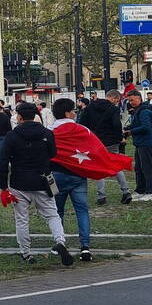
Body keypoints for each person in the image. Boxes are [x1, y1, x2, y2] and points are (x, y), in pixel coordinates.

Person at [0, 101, 73, 266]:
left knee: (22, 219)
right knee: (52, 214)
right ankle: (60, 241)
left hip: (19, 181)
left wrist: (3, 186)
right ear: (36, 115)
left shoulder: (12, 136)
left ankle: (26, 253)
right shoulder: (46, 132)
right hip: (44, 179)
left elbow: (2, 162)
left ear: (19, 117)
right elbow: (53, 153)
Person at [49, 99, 94, 262]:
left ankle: (59, 242)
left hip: (56, 176)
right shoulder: (81, 129)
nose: (75, 113)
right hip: (78, 175)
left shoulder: (50, 130)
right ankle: (85, 247)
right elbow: (94, 147)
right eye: (73, 111)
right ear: (68, 112)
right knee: (82, 210)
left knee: (56, 212)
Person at [79, 89, 132, 205]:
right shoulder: (113, 109)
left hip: (96, 141)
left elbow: (81, 123)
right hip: (111, 141)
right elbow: (116, 124)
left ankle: (101, 196)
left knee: (99, 167)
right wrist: (120, 137)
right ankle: (126, 191)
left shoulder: (90, 107)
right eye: (117, 100)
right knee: (116, 166)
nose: (117, 102)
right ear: (114, 98)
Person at [126, 90, 152, 201]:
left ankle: (150, 192)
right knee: (138, 168)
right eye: (129, 101)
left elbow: (146, 127)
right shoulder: (138, 110)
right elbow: (136, 124)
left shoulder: (145, 111)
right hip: (140, 143)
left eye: (132, 100)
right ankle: (140, 190)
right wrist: (127, 128)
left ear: (139, 98)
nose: (130, 103)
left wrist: (131, 132)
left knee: (147, 168)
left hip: (147, 142)